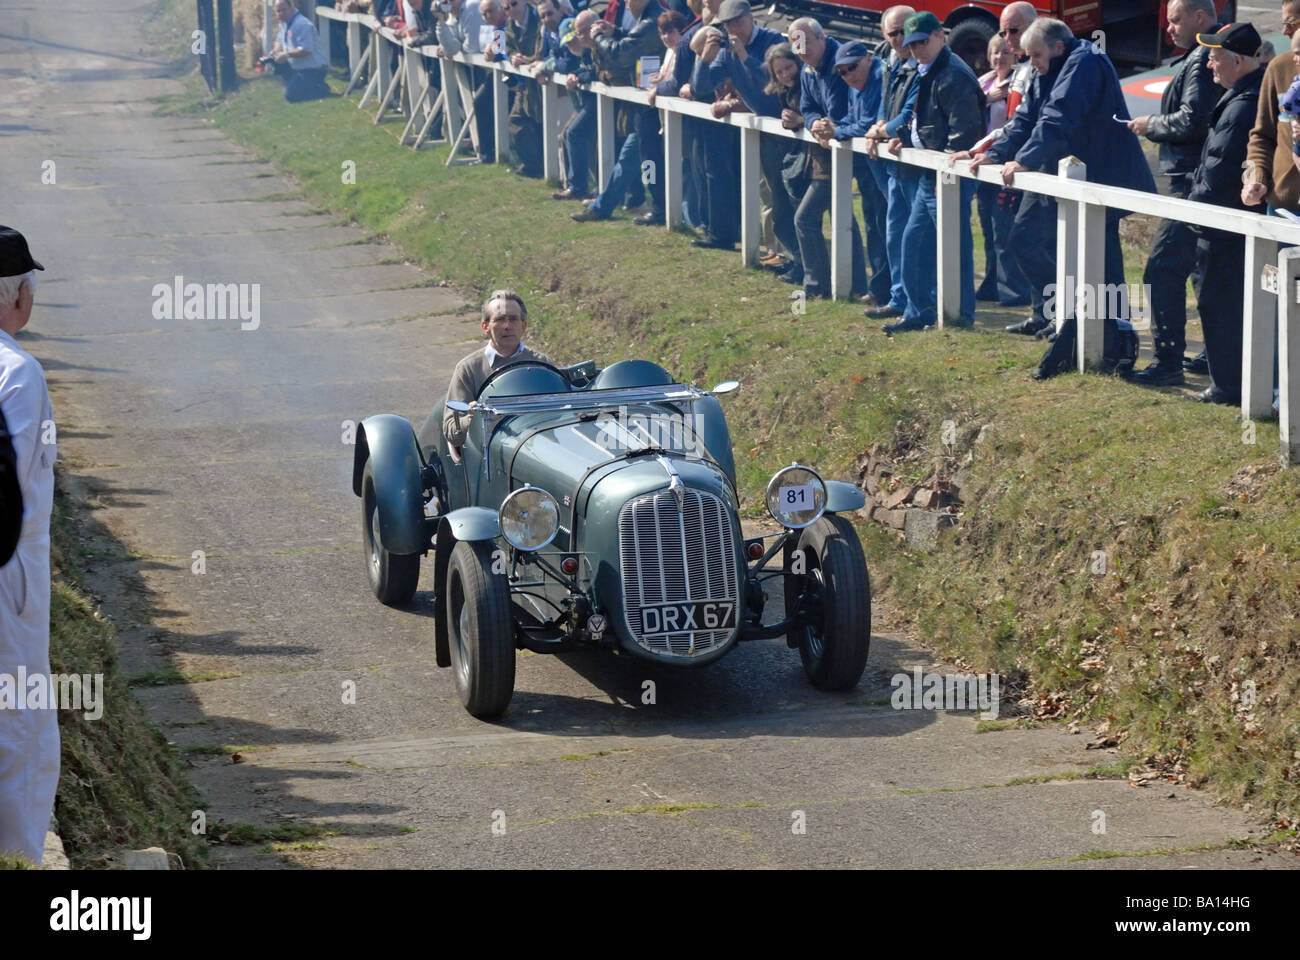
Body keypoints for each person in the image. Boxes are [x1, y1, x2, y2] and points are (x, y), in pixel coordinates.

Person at [959, 17, 1155, 379]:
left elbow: (1058, 117)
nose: (1030, 63)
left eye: (1034, 55)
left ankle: (1116, 339)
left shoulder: (1086, 62)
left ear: (1058, 47)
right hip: (1061, 171)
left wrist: (1024, 159)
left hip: (1100, 175)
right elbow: (1027, 118)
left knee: (1104, 261)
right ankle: (1072, 319)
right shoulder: (1046, 65)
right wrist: (999, 152)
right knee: (1026, 237)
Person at [0, 227, 58, 867]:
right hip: (12, 567)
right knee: (19, 724)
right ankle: (18, 857)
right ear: (18, 297)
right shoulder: (19, 371)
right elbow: (16, 484)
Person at [1128, 0, 1220, 387]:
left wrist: (1152, 124)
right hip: (1198, 181)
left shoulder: (1201, 58)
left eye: (1175, 20)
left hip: (1191, 183)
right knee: (1204, 274)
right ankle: (1218, 353)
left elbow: (1192, 119)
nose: (1169, 29)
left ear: (1200, 18)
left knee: (1162, 269)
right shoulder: (1205, 55)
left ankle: (1167, 361)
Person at [878, 12, 982, 332]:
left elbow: (964, 134)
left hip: (947, 175)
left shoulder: (953, 74)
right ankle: (919, 311)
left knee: (954, 245)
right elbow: (919, 121)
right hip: (930, 174)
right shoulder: (926, 70)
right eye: (912, 44)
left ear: (940, 35)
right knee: (913, 242)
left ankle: (960, 314)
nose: (917, 49)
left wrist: (945, 176)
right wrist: (903, 137)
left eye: (923, 41)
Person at [1186, 23, 1267, 404]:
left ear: (1237, 60)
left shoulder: (1244, 104)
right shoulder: (1244, 96)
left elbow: (1219, 173)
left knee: (1220, 303)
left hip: (1223, 227)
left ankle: (1230, 386)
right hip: (1223, 224)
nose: (1209, 66)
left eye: (1215, 58)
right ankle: (1232, 382)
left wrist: (1196, 211)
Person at [790, 17, 868, 301]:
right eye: (795, 44)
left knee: (806, 218)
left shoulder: (838, 61)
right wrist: (812, 123)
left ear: (822, 38)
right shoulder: (808, 68)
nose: (801, 49)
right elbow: (807, 106)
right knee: (842, 215)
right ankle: (855, 284)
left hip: (851, 147)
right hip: (830, 148)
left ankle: (817, 284)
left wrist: (824, 124)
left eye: (806, 42)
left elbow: (837, 108)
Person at [573, 0, 667, 224]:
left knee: (639, 161)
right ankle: (655, 207)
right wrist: (614, 31)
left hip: (652, 108)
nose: (626, 4)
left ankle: (609, 207)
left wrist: (599, 37)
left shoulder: (650, 21)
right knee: (644, 162)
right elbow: (631, 40)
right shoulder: (648, 19)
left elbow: (623, 52)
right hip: (646, 106)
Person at [812, 41, 891, 306]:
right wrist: (831, 126)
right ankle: (881, 289)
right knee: (875, 225)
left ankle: (893, 292)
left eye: (853, 67)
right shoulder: (856, 84)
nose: (849, 76)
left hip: (890, 169)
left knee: (889, 228)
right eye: (843, 72)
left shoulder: (881, 76)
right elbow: (852, 120)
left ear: (868, 58)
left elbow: (867, 124)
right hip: (872, 169)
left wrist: (836, 131)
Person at [863, 5, 918, 320]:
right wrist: (878, 125)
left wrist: (882, 128)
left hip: (915, 161)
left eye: (904, 31)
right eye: (893, 33)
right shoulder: (888, 58)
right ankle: (899, 298)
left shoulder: (922, 63)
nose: (900, 39)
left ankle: (916, 300)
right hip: (892, 162)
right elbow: (886, 103)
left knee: (913, 235)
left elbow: (909, 112)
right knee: (894, 231)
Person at [444, 290, 552, 447]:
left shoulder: (542, 364)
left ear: (524, 326)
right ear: (485, 327)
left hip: (538, 448)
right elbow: (450, 431)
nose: (507, 326)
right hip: (489, 456)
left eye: (513, 319)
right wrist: (472, 419)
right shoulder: (468, 369)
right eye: (500, 320)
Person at [974, 34, 1030, 306]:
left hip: (1004, 163)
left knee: (1003, 228)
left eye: (1005, 52)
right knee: (987, 227)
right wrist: (986, 99)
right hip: (982, 162)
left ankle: (1013, 290)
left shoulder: (1020, 80)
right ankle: (991, 283)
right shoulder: (984, 83)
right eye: (995, 52)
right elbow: (971, 111)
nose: (1000, 58)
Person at [548, 12, 599, 199]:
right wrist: (576, 74)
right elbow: (578, 67)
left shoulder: (597, 46)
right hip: (590, 103)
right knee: (571, 135)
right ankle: (579, 186)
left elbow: (598, 72)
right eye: (579, 33)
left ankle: (582, 187)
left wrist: (576, 76)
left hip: (606, 104)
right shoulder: (586, 50)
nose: (580, 38)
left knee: (574, 133)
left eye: (586, 31)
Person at [269, 0, 331, 102]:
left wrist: (286, 54)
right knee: (276, 63)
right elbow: (279, 40)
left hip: (313, 68)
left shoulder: (302, 24)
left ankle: (321, 88)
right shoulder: (284, 22)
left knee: (290, 96)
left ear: (291, 8)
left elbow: (306, 50)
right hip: (297, 67)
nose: (281, 13)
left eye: (284, 10)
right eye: (278, 11)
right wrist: (276, 50)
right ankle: (301, 84)